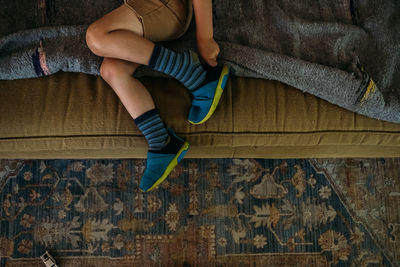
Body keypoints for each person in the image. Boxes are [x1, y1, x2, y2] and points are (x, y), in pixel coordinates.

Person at [85, 0, 230, 192]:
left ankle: (194, 75)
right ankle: (162, 143)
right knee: (112, 70)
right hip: (144, 12)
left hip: (164, 6)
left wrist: (205, 37)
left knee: (97, 37)